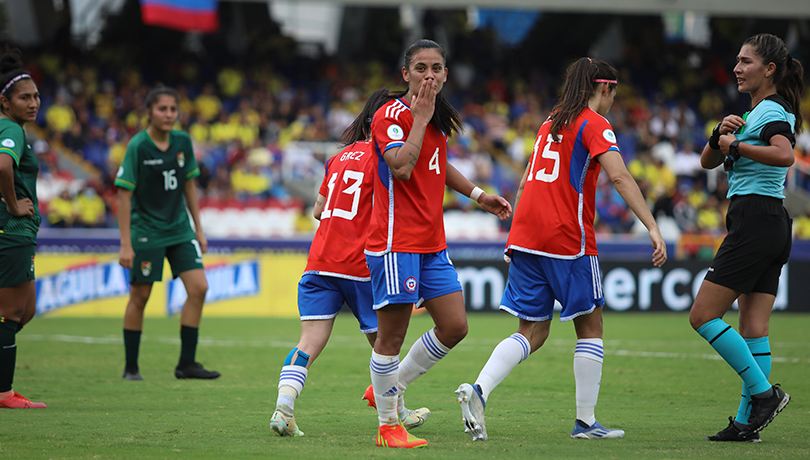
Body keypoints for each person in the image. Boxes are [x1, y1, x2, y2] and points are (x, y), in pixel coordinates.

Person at [456, 57, 667, 441]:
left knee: (533, 329)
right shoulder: (594, 124)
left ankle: (479, 390)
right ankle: (586, 422)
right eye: (613, 94)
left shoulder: (549, 123)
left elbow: (523, 183)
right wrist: (652, 226)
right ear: (604, 88)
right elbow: (618, 175)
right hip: (567, 238)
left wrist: (517, 232)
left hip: (526, 236)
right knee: (591, 325)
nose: (612, 102)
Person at [365, 39, 512, 449]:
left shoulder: (434, 119)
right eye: (420, 68)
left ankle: (388, 388)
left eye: (436, 68)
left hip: (431, 243)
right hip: (397, 243)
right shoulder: (391, 116)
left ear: (446, 74)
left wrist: (479, 194)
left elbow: (436, 163)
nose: (429, 75)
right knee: (390, 337)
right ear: (405, 75)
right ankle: (388, 426)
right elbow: (402, 167)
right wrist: (420, 117)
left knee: (454, 326)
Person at [269, 88, 429, 436]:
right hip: (360, 265)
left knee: (308, 343)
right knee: (386, 345)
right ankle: (397, 412)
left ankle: (284, 408)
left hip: (320, 261)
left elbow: (317, 209)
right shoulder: (385, 159)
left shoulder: (339, 156)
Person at [690, 33, 802, 443]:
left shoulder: (772, 111)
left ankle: (764, 395)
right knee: (753, 328)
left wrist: (736, 144)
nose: (737, 68)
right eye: (737, 61)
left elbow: (785, 154)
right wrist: (719, 133)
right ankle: (745, 424)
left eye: (746, 61)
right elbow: (708, 162)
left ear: (769, 70)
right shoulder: (751, 113)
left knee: (702, 316)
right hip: (768, 222)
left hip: (755, 220)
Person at [115, 87, 219, 381]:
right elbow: (123, 196)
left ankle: (186, 364)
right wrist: (125, 244)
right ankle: (131, 368)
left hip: (179, 229)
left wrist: (198, 228)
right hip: (146, 231)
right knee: (141, 296)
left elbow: (189, 185)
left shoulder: (183, 140)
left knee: (199, 288)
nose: (169, 114)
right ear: (149, 112)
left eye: (173, 109)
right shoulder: (138, 146)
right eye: (163, 109)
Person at [0, 51, 46, 409]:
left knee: (23, 311)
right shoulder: (11, 128)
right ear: (5, 101)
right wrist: (15, 204)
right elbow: (3, 166)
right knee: (11, 313)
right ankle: (4, 394)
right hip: (11, 228)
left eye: (35, 96)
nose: (33, 103)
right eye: (24, 98)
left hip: (15, 231)